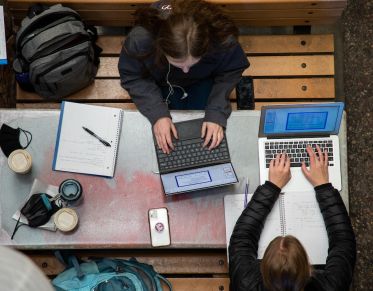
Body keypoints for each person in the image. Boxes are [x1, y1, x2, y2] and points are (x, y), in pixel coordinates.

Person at [118, 0, 249, 154]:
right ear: (160, 45)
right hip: (160, 80)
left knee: (205, 133)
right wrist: (158, 114)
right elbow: (133, 76)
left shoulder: (221, 38)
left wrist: (216, 111)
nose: (186, 70)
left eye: (193, 62)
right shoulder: (141, 40)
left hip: (203, 79)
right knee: (159, 135)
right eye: (178, 62)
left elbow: (231, 71)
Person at [229, 145, 356, 291]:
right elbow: (344, 243)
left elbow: (242, 238)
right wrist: (323, 186)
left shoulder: (244, 284)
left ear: (262, 270)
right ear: (309, 270)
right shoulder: (332, 286)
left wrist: (271, 187)